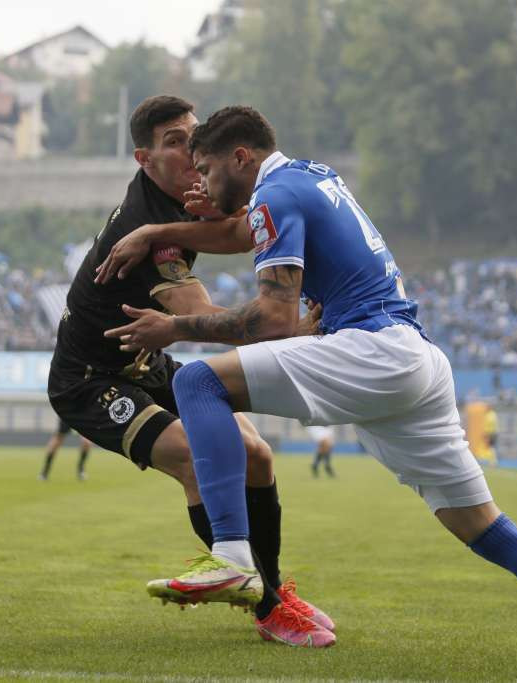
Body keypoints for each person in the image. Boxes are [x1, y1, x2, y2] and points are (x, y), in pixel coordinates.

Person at [99, 106, 517, 667]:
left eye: (206, 169)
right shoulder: (310, 178)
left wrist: (175, 327)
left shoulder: (274, 195)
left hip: (374, 351)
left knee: (199, 381)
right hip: (418, 362)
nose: (202, 184)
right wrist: (159, 231)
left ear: (240, 157)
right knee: (490, 532)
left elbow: (275, 319)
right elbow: (240, 232)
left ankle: (232, 556)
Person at [49, 95, 332, 646]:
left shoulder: (185, 199)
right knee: (196, 462)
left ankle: (273, 588)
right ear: (145, 159)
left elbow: (239, 229)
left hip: (147, 362)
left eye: (192, 136)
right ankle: (269, 610)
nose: (190, 150)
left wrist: (222, 211)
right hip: (90, 379)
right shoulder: (145, 226)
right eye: (174, 142)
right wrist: (287, 329)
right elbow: (199, 313)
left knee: (255, 454)